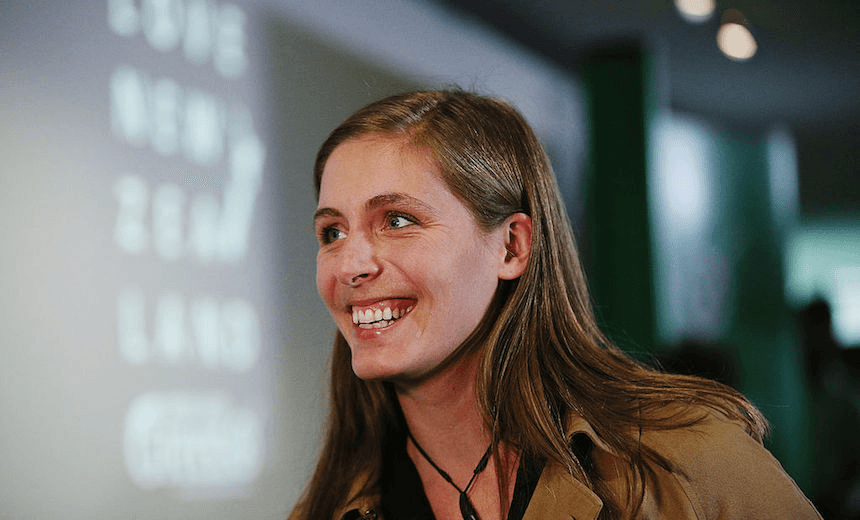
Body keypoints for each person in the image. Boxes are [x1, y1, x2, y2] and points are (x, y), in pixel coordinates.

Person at [291, 90, 821, 520]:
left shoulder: (689, 465)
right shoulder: (327, 509)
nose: (348, 266)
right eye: (332, 232)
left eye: (397, 221)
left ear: (512, 246)